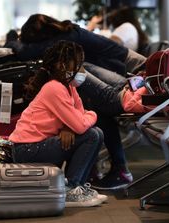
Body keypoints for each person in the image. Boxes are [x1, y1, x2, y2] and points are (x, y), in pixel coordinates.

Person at [9, 40, 107, 207]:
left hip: (39, 145)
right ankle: (71, 189)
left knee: (96, 133)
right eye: (78, 64)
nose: (82, 70)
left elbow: (80, 117)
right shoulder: (54, 88)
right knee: (92, 135)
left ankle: (77, 188)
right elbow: (81, 124)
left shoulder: (69, 87)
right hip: (25, 149)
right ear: (63, 66)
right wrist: (92, 115)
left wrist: (69, 126)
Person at [17, 13, 147, 76]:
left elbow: (25, 52)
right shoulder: (71, 33)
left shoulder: (71, 35)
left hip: (125, 70)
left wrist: (11, 37)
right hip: (122, 67)